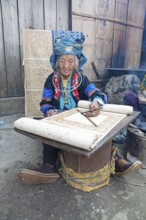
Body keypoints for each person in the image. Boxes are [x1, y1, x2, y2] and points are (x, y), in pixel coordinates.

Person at [18, 31, 142, 184]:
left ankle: (117, 162)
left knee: (99, 135)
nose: (66, 66)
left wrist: (96, 102)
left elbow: (97, 93)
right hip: (58, 116)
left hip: (80, 117)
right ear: (56, 62)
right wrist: (49, 111)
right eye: (62, 61)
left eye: (70, 61)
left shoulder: (82, 80)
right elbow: (44, 103)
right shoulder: (51, 80)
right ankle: (49, 167)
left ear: (76, 63)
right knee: (50, 135)